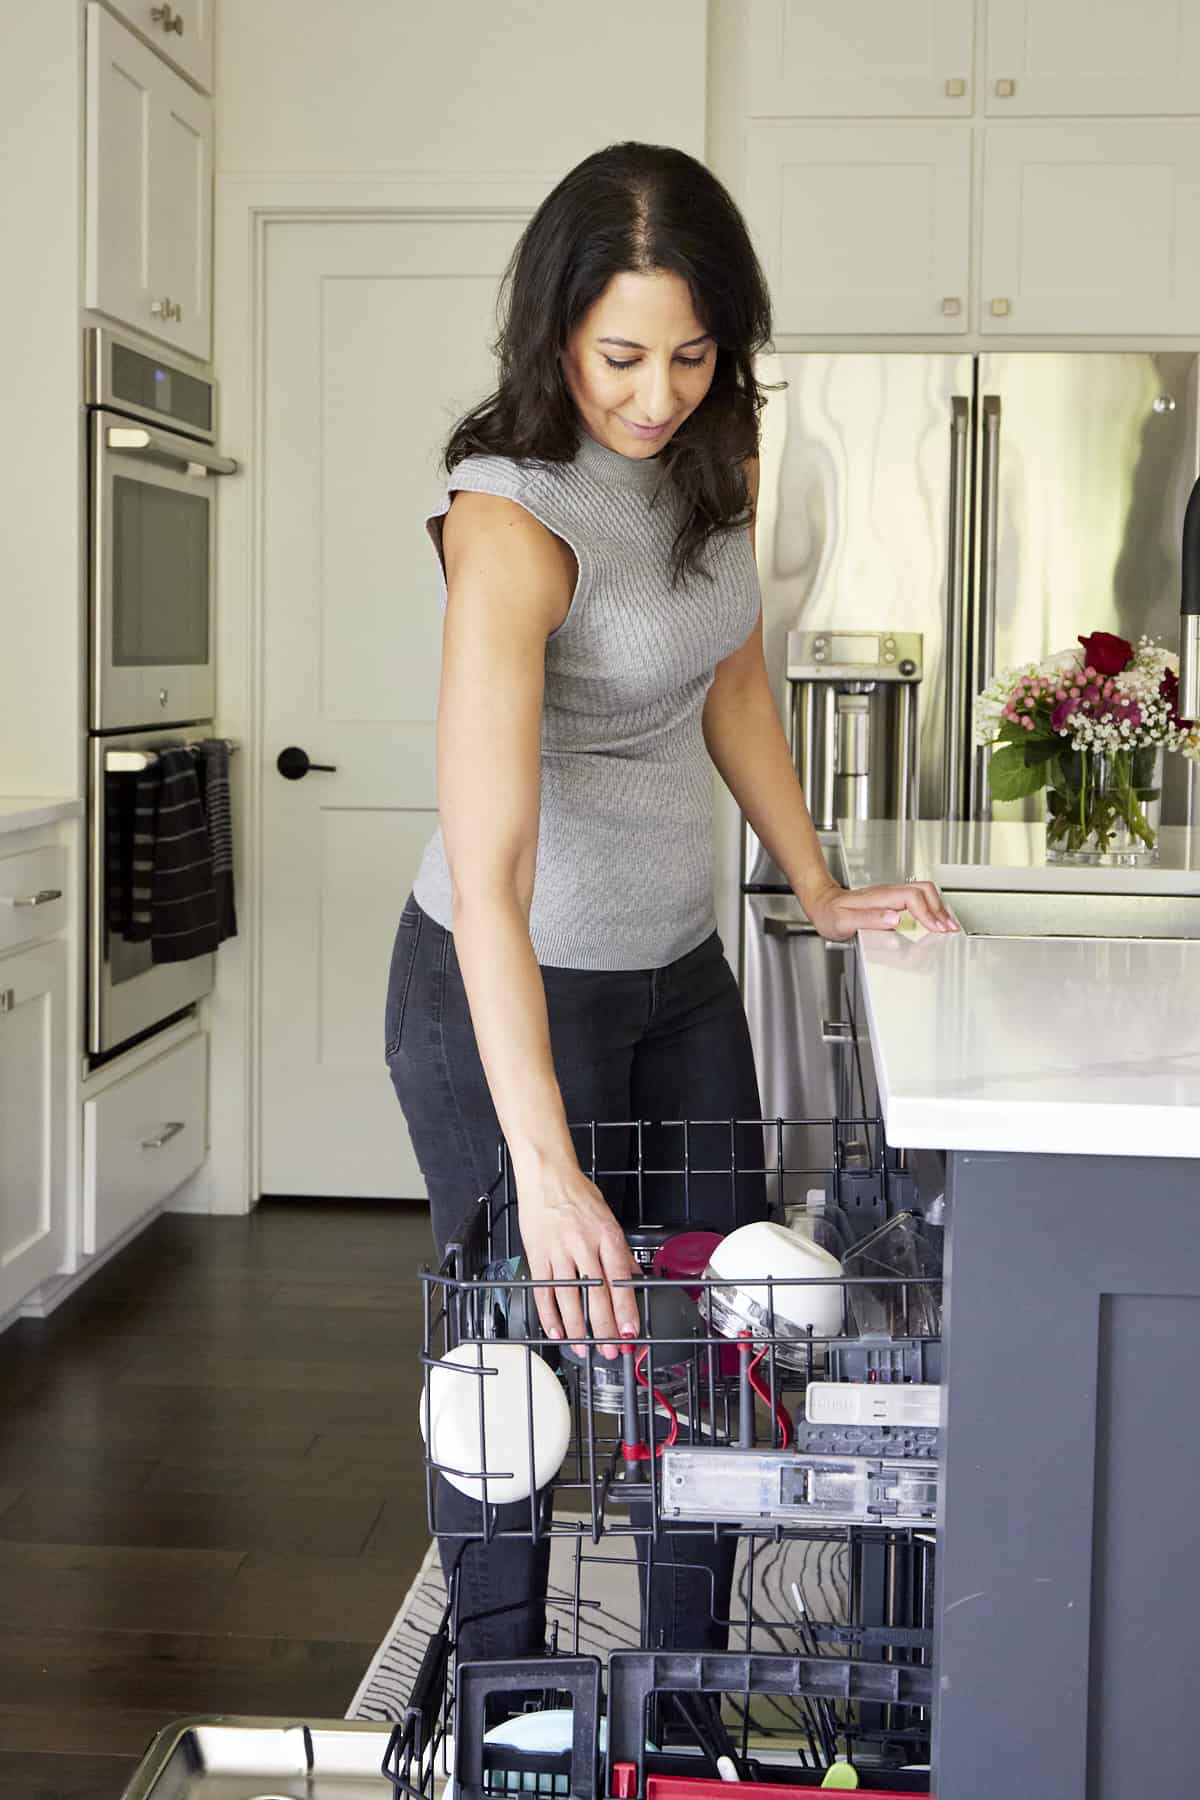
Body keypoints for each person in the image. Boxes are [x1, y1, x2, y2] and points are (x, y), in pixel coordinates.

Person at [385, 140, 958, 1666]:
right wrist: (547, 1163)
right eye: (621, 356)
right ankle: (511, 1693)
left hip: (676, 967)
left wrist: (819, 885)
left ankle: (685, 1690)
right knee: (517, 1362)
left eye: (693, 355)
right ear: (556, 332)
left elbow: (734, 674)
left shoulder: (721, 453)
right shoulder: (510, 519)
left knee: (725, 1342)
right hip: (506, 983)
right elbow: (493, 877)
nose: (657, 394)